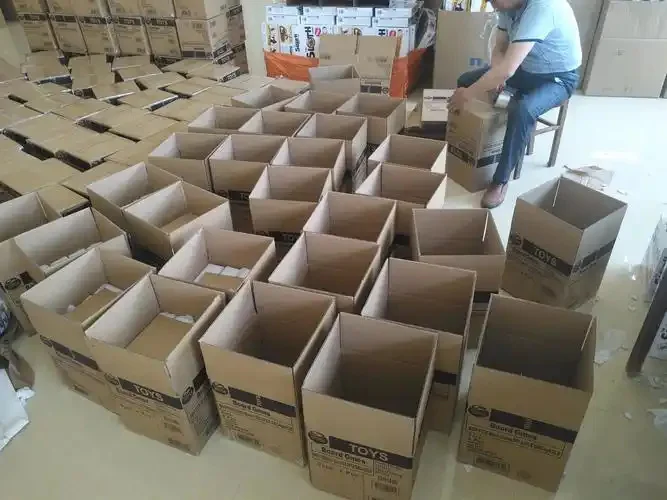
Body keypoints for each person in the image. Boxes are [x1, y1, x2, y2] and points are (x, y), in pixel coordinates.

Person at [448, 0, 582, 208]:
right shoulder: (507, 6)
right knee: (466, 80)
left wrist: (473, 92)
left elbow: (508, 69)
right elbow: (500, 48)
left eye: (494, 1)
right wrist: (497, 76)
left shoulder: (543, 7)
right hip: (524, 68)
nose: (493, 6)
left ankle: (500, 181)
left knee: (523, 109)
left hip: (557, 78)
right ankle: (468, 142)